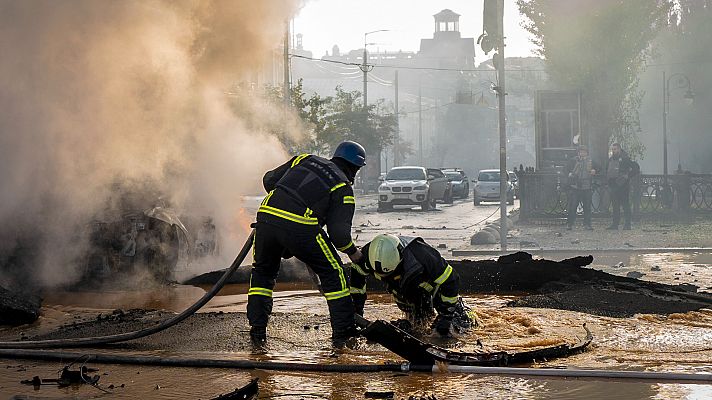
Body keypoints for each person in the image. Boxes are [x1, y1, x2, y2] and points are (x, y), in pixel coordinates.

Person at [248, 141, 366, 348]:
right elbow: (339, 236)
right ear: (355, 168)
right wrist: (353, 253)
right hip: (301, 226)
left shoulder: (305, 159)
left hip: (265, 218)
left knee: (263, 273)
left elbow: (269, 179)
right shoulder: (342, 187)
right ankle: (344, 334)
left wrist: (284, 200)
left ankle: (258, 331)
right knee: (334, 272)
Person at [350, 234, 476, 337]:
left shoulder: (424, 256)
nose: (383, 277)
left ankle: (463, 317)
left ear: (400, 258)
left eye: (388, 274)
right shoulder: (366, 257)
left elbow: (451, 280)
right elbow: (357, 283)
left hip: (433, 290)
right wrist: (357, 311)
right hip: (405, 292)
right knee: (415, 328)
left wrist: (446, 316)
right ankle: (413, 326)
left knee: (458, 324)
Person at [566, 145, 598, 230]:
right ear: (578, 152)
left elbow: (600, 168)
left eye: (584, 152)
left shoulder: (591, 161)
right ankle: (570, 224)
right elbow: (565, 169)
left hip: (587, 186)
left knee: (587, 207)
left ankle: (587, 224)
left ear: (587, 153)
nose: (582, 153)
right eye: (581, 152)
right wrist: (569, 173)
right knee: (573, 206)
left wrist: (595, 171)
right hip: (575, 186)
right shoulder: (573, 160)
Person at [606, 143, 635, 230]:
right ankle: (615, 224)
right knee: (615, 206)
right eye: (613, 149)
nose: (614, 151)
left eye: (615, 149)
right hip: (613, 186)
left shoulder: (625, 159)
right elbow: (607, 170)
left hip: (623, 186)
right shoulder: (610, 159)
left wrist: (628, 176)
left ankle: (627, 224)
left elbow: (636, 168)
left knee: (625, 205)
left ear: (619, 149)